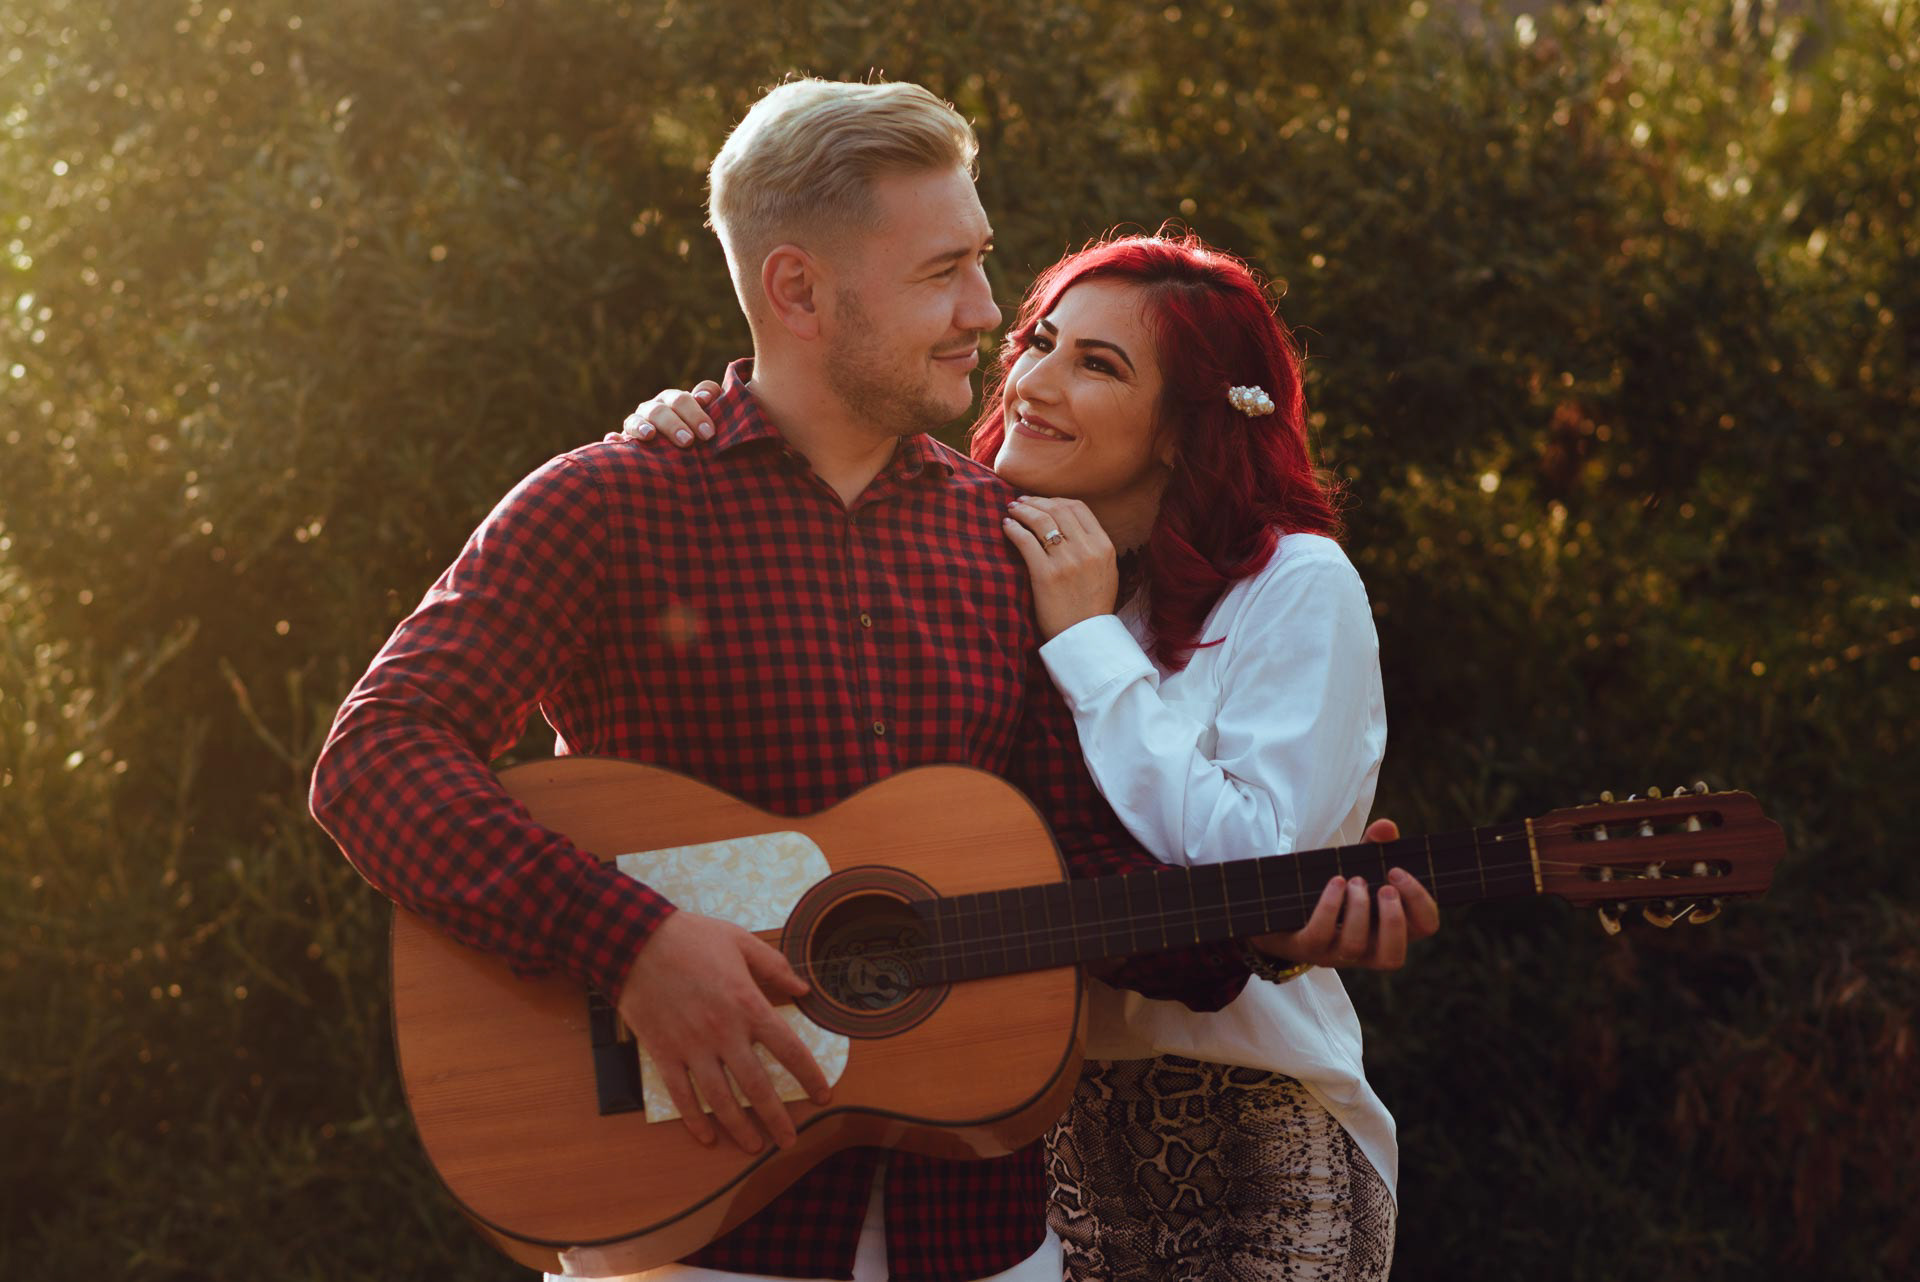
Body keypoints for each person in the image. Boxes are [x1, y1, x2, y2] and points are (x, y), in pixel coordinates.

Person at [314, 78, 1425, 1282]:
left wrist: (1269, 924)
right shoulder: (609, 503)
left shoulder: (1008, 545)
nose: (987, 312)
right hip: (696, 1232)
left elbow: (1086, 878)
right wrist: (630, 946)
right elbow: (376, 754)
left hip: (988, 1244)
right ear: (798, 290)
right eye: (944, 272)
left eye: (982, 263)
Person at [615, 231, 1433, 1280]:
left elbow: (1255, 867)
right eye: (1040, 343)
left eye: (1099, 365)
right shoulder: (975, 561)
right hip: (1022, 1136)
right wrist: (699, 427)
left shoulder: (1294, 583)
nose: (1036, 381)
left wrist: (1087, 643)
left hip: (1245, 1118)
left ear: (1185, 427)